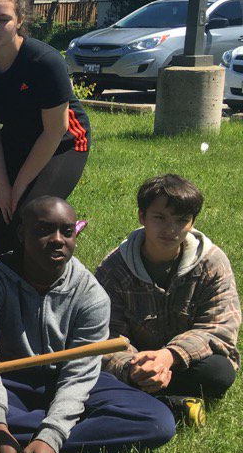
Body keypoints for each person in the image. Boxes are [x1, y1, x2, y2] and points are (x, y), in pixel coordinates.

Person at [0, 197, 176, 453]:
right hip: (9, 381)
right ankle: (93, 449)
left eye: (67, 231)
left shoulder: (91, 293)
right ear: (22, 234)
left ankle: (27, 448)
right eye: (44, 230)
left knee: (158, 422)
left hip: (68, 383)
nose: (57, 240)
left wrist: (51, 435)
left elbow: (80, 373)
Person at [96, 174, 239, 414]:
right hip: (134, 361)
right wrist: (134, 367)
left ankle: (145, 397)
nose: (170, 229)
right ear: (142, 216)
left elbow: (219, 329)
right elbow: (106, 334)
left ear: (192, 222)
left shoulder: (212, 262)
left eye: (182, 220)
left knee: (219, 372)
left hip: (185, 361)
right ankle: (166, 401)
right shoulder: (114, 268)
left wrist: (169, 355)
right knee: (93, 371)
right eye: (160, 218)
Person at [0, 0, 90, 255]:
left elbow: (55, 130)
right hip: (17, 137)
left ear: (20, 20)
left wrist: (19, 186)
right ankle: (7, 284)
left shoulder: (44, 62)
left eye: (4, 19)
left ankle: (57, 249)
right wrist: (1, 186)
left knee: (29, 213)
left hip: (64, 141)